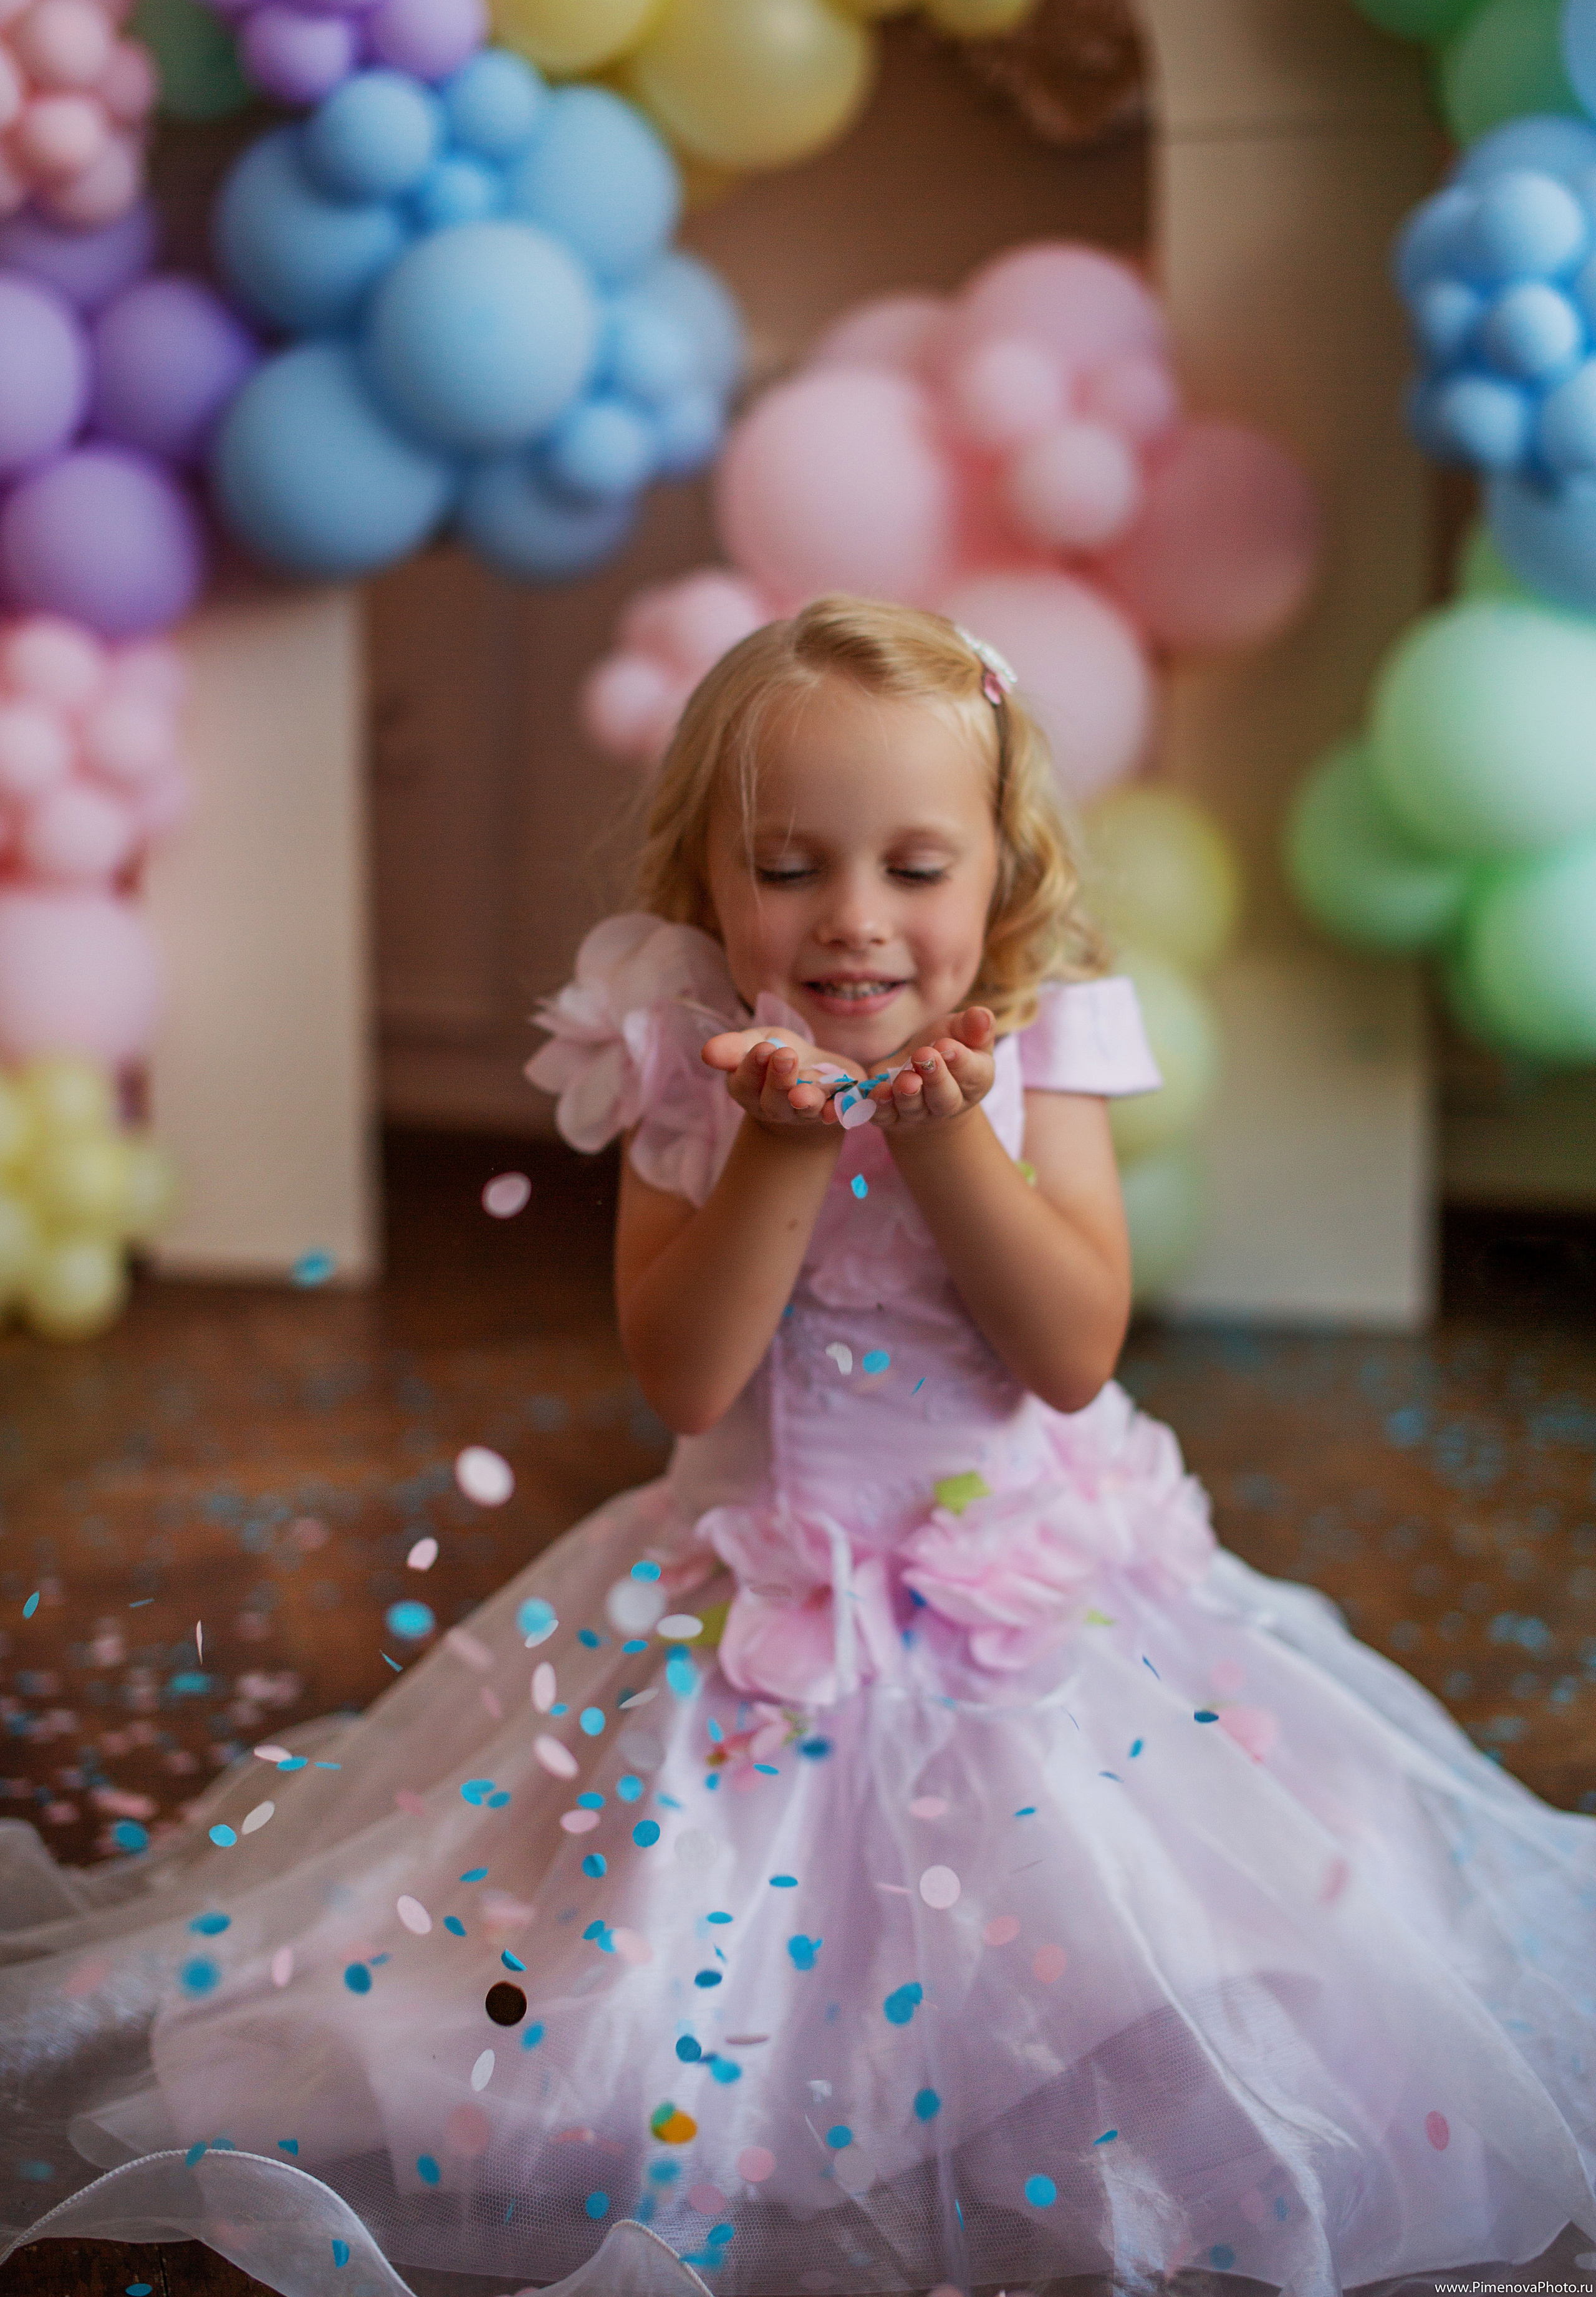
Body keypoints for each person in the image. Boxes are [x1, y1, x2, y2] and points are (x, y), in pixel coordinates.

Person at [1, 597, 1593, 2297]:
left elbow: (1069, 1353)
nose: (854, 922)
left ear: (1000, 870)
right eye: (788, 867)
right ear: (705, 877)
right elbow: (687, 1379)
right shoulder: (677, 1064)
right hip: (753, 1597)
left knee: (1193, 1952)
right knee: (627, 1994)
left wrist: (939, 1146)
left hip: (1034, 1606)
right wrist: (776, 1143)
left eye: (916, 868)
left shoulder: (1047, 1041)